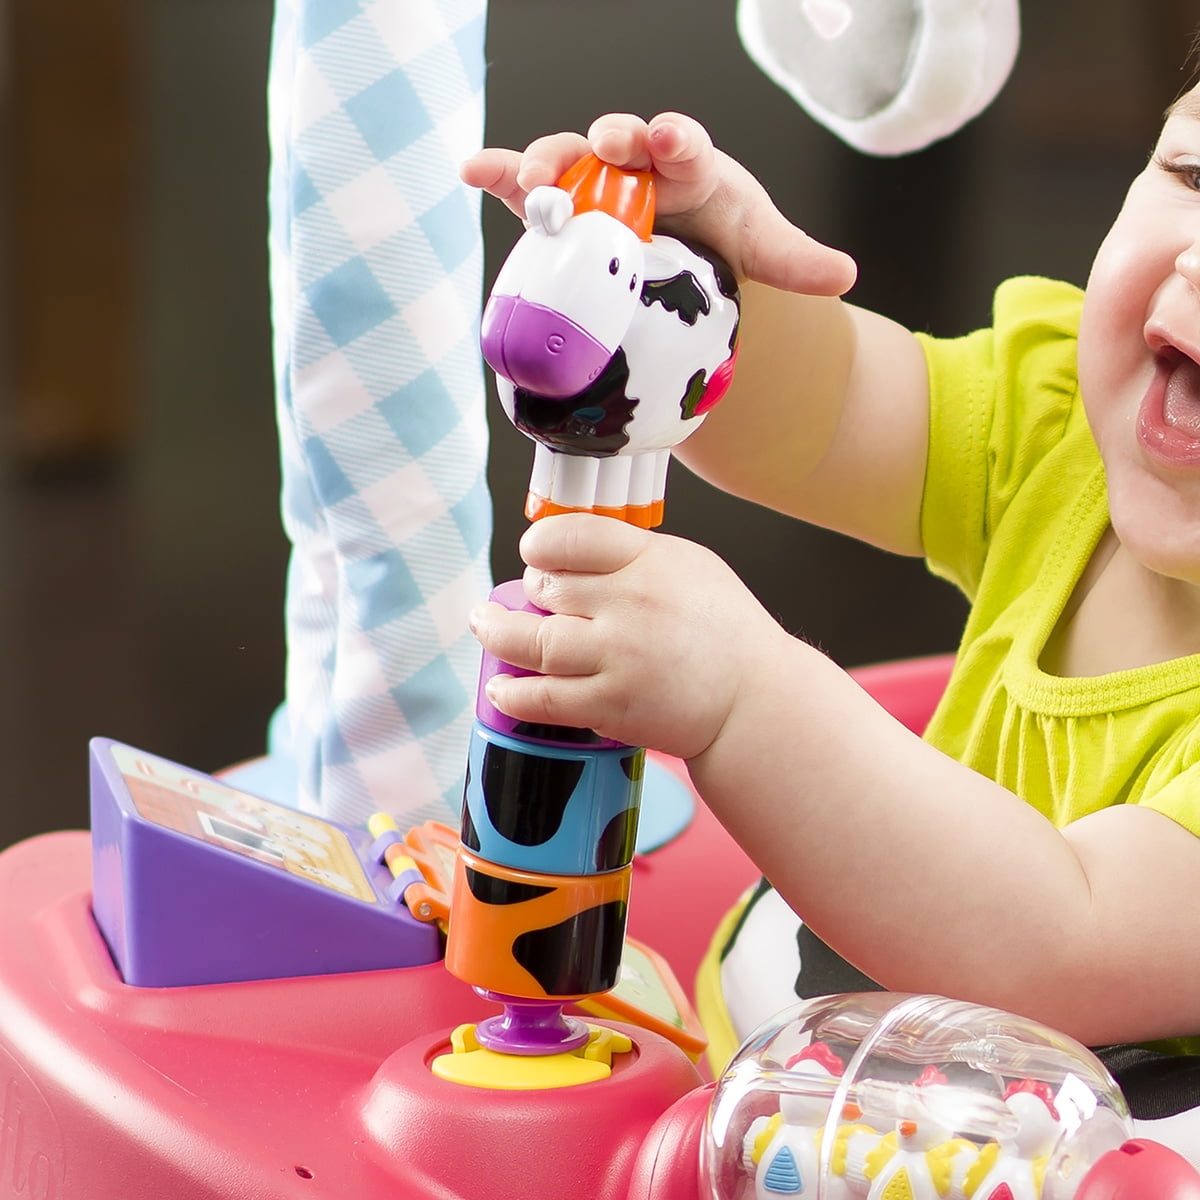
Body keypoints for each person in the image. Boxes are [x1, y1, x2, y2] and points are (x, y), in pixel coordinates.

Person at [460, 63, 1200, 1124]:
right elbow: (828, 413)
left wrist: (742, 696)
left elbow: (1062, 947)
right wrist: (688, 286)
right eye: (1194, 172)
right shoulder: (1061, 433)